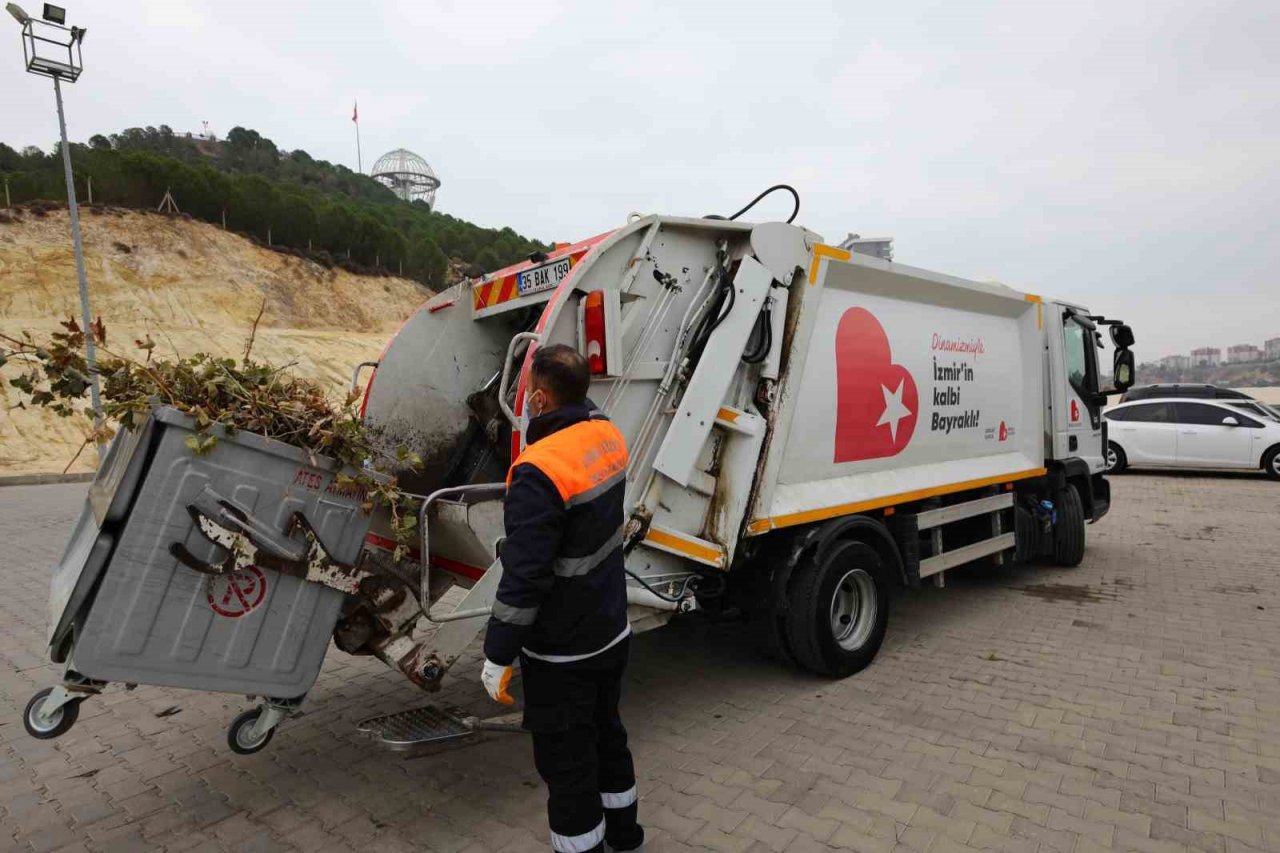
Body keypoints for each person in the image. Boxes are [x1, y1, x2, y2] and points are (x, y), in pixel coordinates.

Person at [481, 344, 644, 853]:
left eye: (529, 391)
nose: (524, 400)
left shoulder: (538, 470)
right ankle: (627, 840)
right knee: (608, 735)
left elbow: (526, 578)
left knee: (567, 762)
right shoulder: (608, 436)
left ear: (541, 398)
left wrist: (498, 651)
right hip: (610, 628)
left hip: (562, 649)